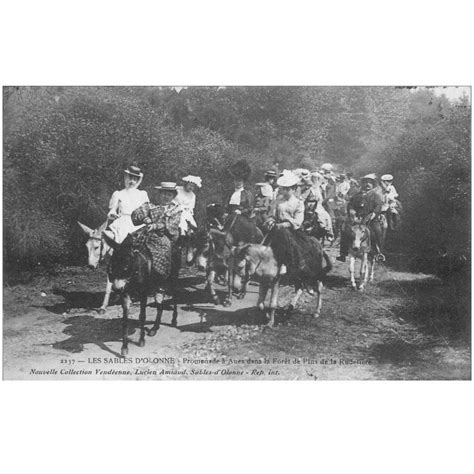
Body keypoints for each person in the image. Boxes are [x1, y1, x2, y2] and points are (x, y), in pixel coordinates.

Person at [131, 182, 183, 286]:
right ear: (159, 193)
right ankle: (129, 276)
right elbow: (136, 213)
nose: (166, 197)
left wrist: (155, 226)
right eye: (164, 194)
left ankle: (160, 283)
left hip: (163, 234)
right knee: (130, 243)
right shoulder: (150, 205)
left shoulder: (175, 209)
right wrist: (144, 218)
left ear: (173, 196)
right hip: (146, 231)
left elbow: (173, 225)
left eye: (169, 195)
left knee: (164, 248)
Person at [265, 170, 312, 276]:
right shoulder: (278, 201)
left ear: (294, 189)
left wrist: (285, 224)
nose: (285, 192)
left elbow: (298, 221)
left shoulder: (298, 203)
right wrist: (270, 221)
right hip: (276, 228)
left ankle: (285, 263)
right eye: (283, 189)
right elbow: (272, 214)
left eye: (288, 189)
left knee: (290, 241)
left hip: (292, 230)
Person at [337, 173, 385, 262]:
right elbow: (350, 204)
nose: (367, 184)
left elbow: (378, 206)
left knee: (377, 231)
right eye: (365, 182)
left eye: (370, 183)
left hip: (370, 219)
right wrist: (351, 211)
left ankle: (379, 253)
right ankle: (343, 253)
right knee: (344, 230)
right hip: (357, 219)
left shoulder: (375, 195)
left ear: (373, 185)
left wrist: (374, 214)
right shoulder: (357, 195)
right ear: (362, 184)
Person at [106, 165, 149, 243]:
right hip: (122, 222)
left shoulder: (142, 194)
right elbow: (112, 209)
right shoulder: (118, 194)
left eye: (135, 179)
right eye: (130, 178)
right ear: (126, 178)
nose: (132, 182)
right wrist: (113, 214)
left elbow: (146, 210)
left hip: (137, 223)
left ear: (138, 181)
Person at [300, 171, 334, 241]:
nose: (317, 181)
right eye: (316, 179)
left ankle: (329, 232)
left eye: (318, 179)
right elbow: (303, 198)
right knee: (318, 215)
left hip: (318, 205)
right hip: (309, 206)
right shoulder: (309, 189)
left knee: (327, 216)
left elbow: (323, 199)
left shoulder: (320, 189)